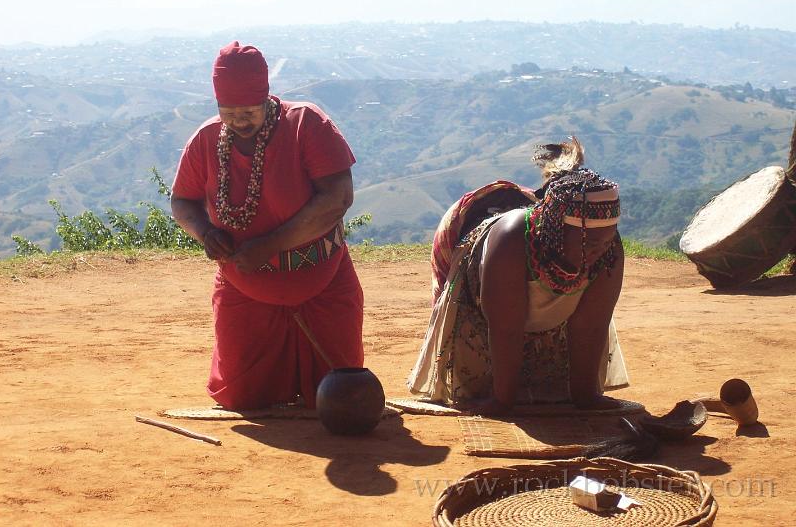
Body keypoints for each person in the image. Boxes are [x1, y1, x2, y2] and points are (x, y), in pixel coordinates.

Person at [171, 41, 364, 410]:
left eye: (248, 111)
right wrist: (205, 233)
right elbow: (182, 203)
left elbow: (337, 199)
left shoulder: (306, 123)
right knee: (244, 398)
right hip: (243, 287)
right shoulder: (207, 138)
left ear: (266, 98)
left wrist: (271, 245)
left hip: (321, 283)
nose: (239, 121)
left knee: (341, 396)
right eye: (229, 112)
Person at [408, 137, 629, 415]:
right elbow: (505, 327)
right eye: (588, 242)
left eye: (605, 241)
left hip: (531, 313)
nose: (598, 250)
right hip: (484, 311)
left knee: (555, 393)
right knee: (491, 387)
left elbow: (590, 325)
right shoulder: (511, 242)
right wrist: (502, 401)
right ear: (556, 230)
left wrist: (586, 396)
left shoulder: (609, 250)